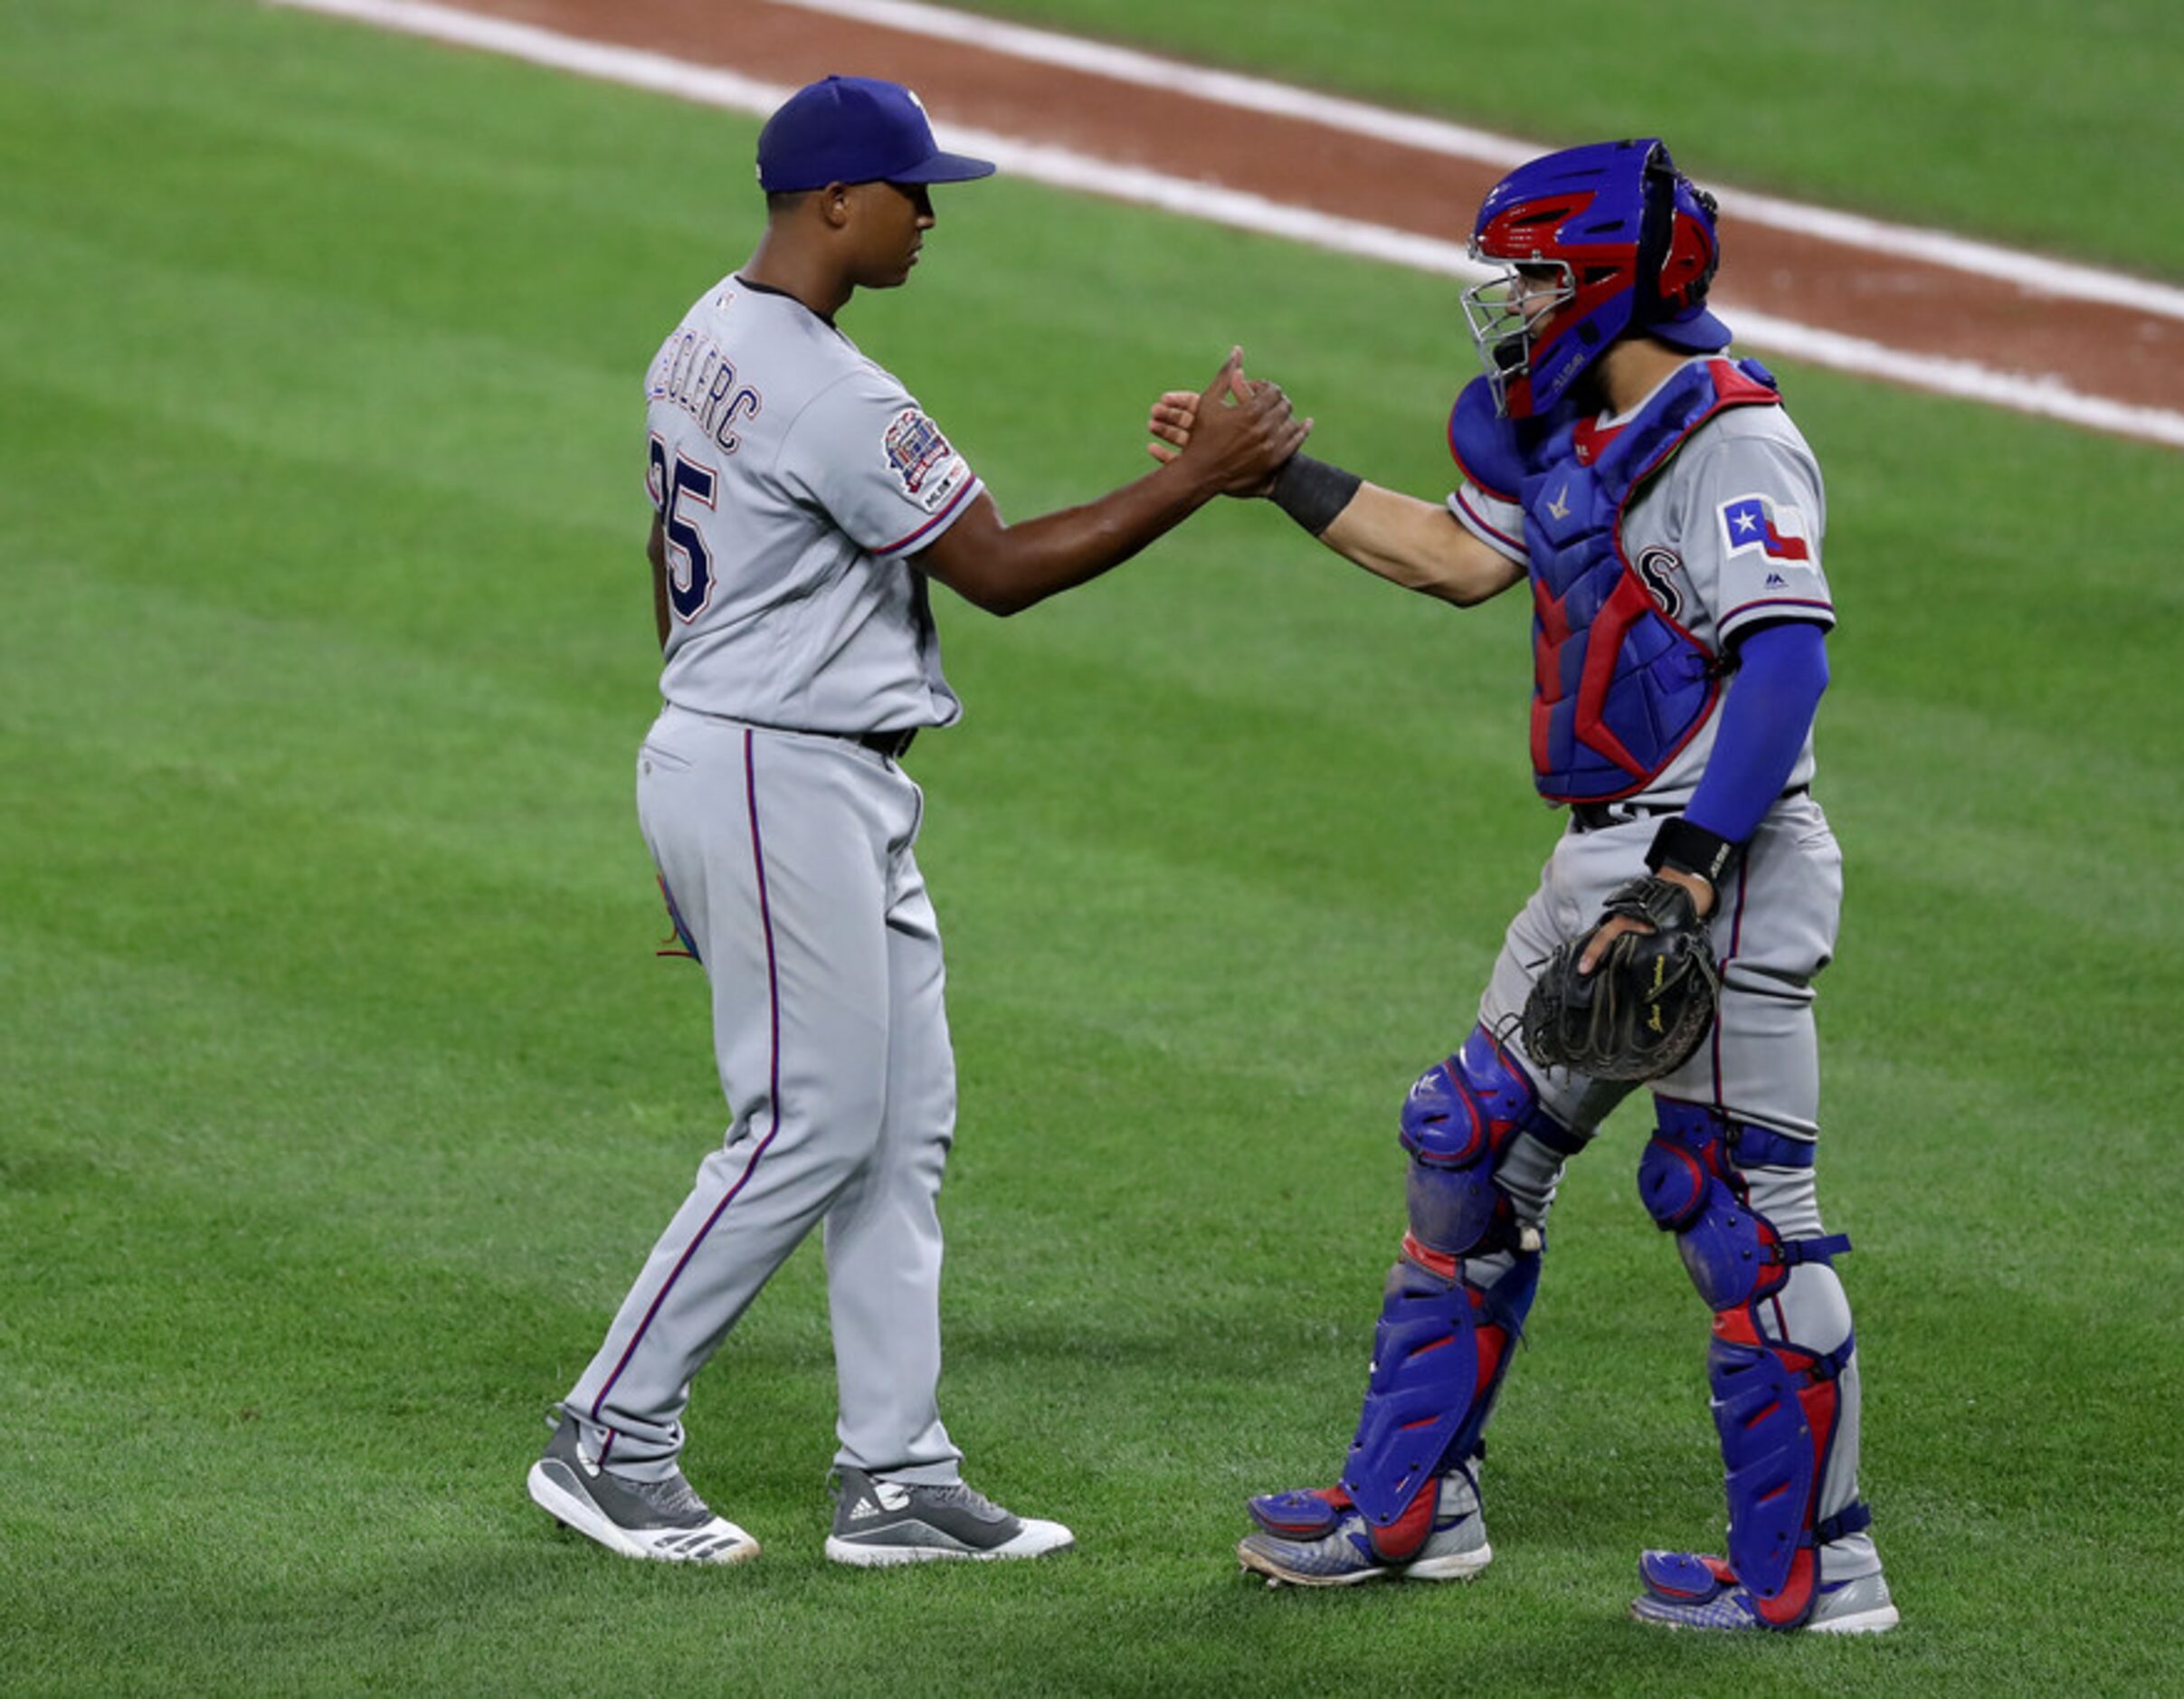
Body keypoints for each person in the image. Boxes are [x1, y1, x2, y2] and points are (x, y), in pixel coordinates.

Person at [527, 73, 1306, 1568]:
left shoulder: (705, 330)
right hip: (777, 767)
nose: (930, 214)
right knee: (807, 1123)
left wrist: (692, 796)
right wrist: (1206, 476)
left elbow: (659, 546)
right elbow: (1000, 569)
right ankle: (609, 1434)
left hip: (764, 761)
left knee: (897, 1131)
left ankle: (895, 1474)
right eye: (911, 190)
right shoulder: (831, 390)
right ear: (835, 203)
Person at [1148, 138, 1895, 1632]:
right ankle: (1414, 1506)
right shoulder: (1568, 429)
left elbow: (1784, 665)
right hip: (1598, 855)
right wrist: (1273, 474)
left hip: (1716, 867)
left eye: (1537, 275)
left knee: (1739, 1212)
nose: (1507, 299)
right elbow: (1451, 558)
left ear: (1619, 277)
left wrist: (1685, 875)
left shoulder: (1736, 443)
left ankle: (1813, 1574)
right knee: (1471, 1146)